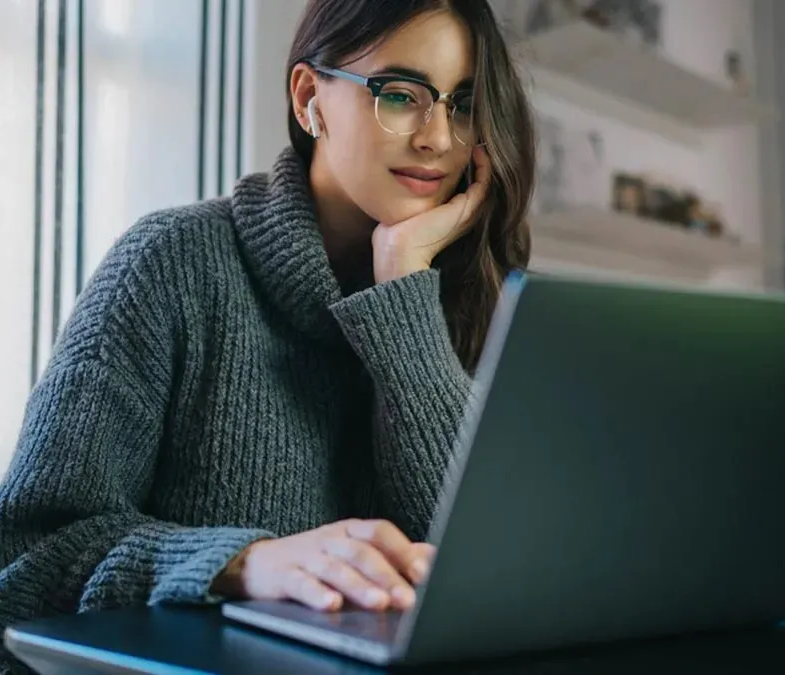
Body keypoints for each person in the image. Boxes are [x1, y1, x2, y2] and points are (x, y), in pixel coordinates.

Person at [0, 0, 533, 670]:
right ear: (310, 97)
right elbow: (26, 560)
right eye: (400, 95)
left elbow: (480, 572)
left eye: (462, 104)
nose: (437, 138)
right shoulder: (173, 262)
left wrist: (401, 292)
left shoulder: (472, 293)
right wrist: (239, 562)